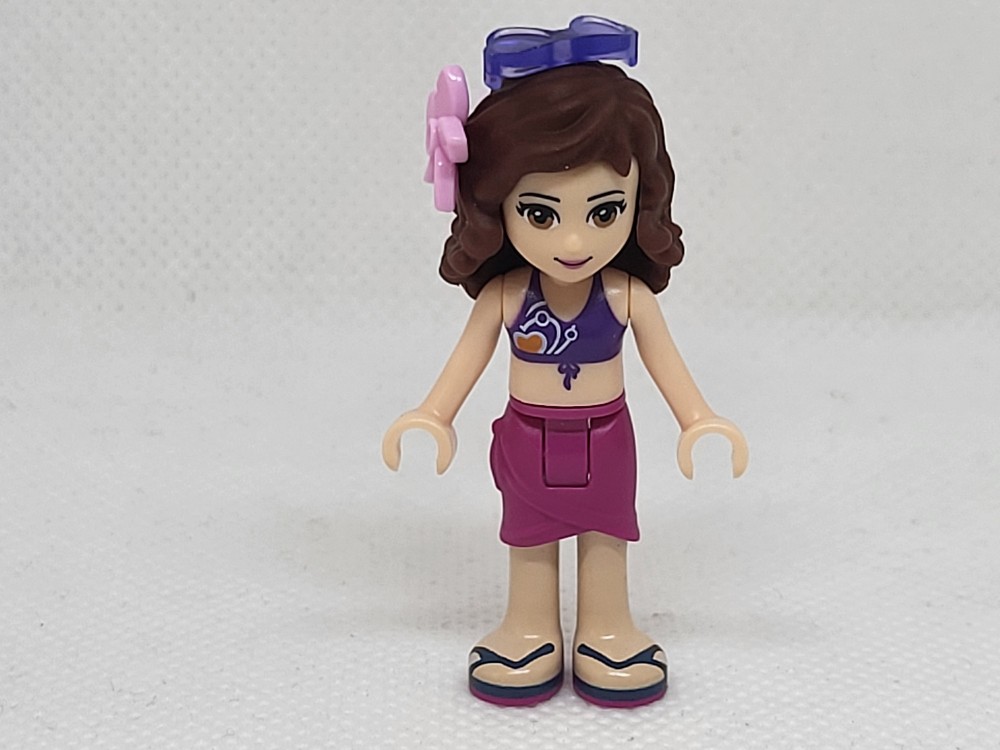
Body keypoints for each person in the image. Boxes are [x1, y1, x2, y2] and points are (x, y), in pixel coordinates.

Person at [382, 17, 748, 708]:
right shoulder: (506, 295)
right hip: (529, 435)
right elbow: (465, 360)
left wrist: (699, 419)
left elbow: (667, 364)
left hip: (607, 437)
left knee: (607, 535)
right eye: (542, 214)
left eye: (604, 212)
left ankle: (607, 630)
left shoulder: (626, 294)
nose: (575, 242)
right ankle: (529, 630)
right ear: (496, 206)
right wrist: (433, 414)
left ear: (640, 201)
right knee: (529, 537)